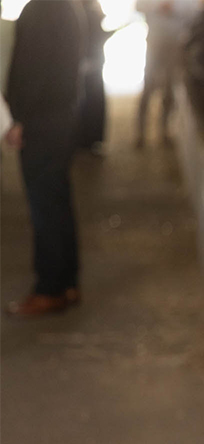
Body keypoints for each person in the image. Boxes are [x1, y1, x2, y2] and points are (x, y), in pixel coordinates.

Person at [4, 0, 87, 317]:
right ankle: (67, 281)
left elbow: (31, 71)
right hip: (60, 118)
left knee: (44, 206)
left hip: (40, 121)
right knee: (57, 199)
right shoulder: (65, 7)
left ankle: (49, 288)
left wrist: (17, 119)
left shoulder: (43, 9)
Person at [135, 0, 200, 147]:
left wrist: (174, 8)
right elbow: (139, 5)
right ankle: (140, 132)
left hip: (176, 44)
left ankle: (164, 131)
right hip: (154, 42)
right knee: (148, 87)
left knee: (170, 89)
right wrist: (158, 6)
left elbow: (194, 12)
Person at [78, 0, 110, 153]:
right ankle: (87, 140)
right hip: (87, 64)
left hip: (92, 63)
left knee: (92, 103)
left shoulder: (88, 9)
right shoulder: (82, 10)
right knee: (90, 103)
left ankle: (89, 139)